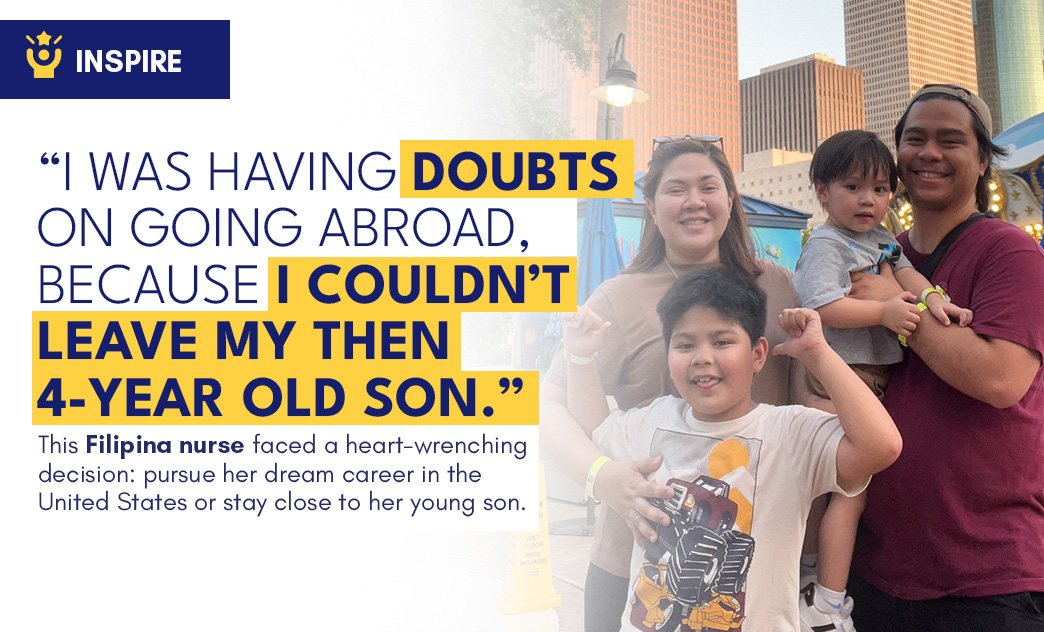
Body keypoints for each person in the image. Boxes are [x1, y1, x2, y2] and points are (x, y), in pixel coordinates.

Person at [539, 137, 808, 632]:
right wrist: (602, 476)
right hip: (637, 565)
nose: (694, 201)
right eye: (675, 189)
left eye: (709, 187)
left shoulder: (776, 284)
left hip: (760, 570)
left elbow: (803, 399)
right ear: (651, 207)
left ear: (731, 200)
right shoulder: (617, 297)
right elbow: (548, 405)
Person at [559, 267, 902, 632]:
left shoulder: (789, 433)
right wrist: (579, 358)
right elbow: (594, 428)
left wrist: (818, 353)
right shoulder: (653, 421)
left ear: (758, 355)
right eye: (685, 344)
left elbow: (882, 446)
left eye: (722, 342)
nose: (702, 357)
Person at [846, 84, 1044, 631]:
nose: (928, 153)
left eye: (950, 140)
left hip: (987, 577)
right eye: (915, 139)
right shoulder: (873, 253)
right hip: (874, 572)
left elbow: (1001, 378)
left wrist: (894, 307)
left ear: (982, 160)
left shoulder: (1010, 252)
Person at [791, 130, 973, 632]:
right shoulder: (827, 245)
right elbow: (822, 307)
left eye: (879, 189)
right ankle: (827, 601)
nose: (868, 200)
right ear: (822, 191)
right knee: (849, 492)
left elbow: (909, 274)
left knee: (838, 489)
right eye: (853, 187)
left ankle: (811, 581)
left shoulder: (877, 240)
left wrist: (935, 300)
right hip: (843, 380)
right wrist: (884, 311)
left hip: (868, 381)